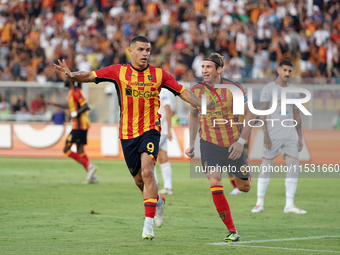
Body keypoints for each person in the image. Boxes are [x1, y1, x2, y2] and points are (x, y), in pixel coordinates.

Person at [53, 35, 202, 240]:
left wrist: (205, 105)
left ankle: (147, 225)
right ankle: (157, 201)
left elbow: (183, 92)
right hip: (127, 134)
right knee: (139, 180)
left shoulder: (159, 75)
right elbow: (89, 75)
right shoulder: (118, 71)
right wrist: (71, 75)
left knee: (148, 171)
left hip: (151, 129)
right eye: (141, 49)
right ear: (130, 51)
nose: (145, 54)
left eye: (148, 50)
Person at [185, 53, 254, 242]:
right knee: (214, 181)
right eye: (203, 67)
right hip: (208, 144)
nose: (204, 70)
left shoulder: (234, 89)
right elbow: (192, 115)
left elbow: (250, 114)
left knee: (245, 187)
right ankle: (232, 230)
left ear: (219, 69)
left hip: (233, 145)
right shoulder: (197, 90)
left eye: (208, 67)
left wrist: (241, 142)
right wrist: (191, 143)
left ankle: (244, 173)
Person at [251, 59, 307, 214]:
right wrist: (266, 135)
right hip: (273, 134)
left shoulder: (294, 90)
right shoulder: (268, 89)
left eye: (290, 71)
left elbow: (297, 114)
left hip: (289, 135)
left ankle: (289, 204)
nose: (287, 73)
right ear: (278, 70)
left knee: (293, 167)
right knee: (266, 167)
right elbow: (262, 113)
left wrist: (299, 137)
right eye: (285, 70)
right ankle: (259, 203)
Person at [47, 80, 99, 184]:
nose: (64, 79)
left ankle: (89, 166)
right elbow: (70, 105)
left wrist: (74, 114)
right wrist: (55, 104)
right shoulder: (72, 92)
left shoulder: (76, 91)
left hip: (80, 125)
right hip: (80, 125)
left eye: (66, 77)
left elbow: (86, 105)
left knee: (66, 149)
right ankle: (92, 176)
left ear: (71, 80)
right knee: (80, 150)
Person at [154, 88, 174, 195]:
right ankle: (168, 187)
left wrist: (169, 129)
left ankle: (154, 185)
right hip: (161, 129)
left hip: (159, 129)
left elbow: (168, 109)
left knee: (149, 156)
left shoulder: (162, 91)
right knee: (162, 157)